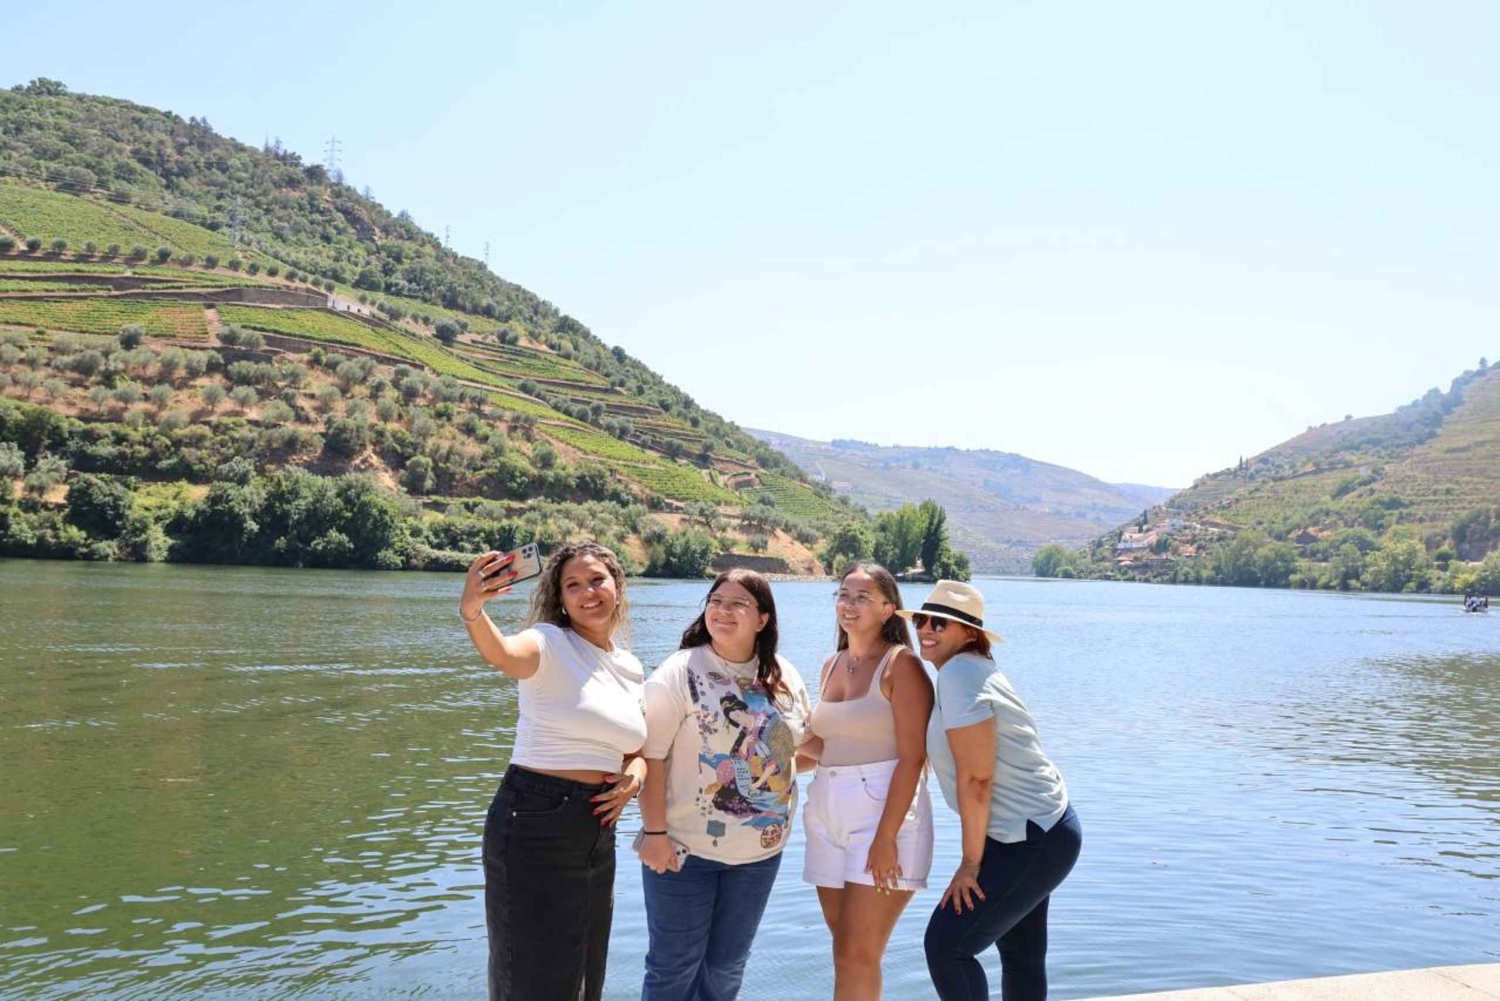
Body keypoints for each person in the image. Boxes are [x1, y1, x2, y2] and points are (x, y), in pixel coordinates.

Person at [459, 541, 648, 1001]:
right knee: (531, 980)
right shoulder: (548, 641)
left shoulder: (629, 666)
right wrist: (473, 611)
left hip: (596, 826)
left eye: (597, 580)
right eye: (573, 585)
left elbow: (635, 750)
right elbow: (503, 654)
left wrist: (635, 779)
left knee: (585, 976)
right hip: (535, 822)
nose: (588, 592)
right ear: (560, 598)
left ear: (618, 587)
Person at [637, 569, 812, 1000]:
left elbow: (799, 748)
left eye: (737, 604)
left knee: (726, 968)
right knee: (673, 968)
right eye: (715, 601)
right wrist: (655, 834)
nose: (722, 611)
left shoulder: (784, 675)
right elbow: (651, 756)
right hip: (684, 852)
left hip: (760, 855)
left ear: (763, 619)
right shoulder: (679, 672)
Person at [904, 580, 1081, 1001]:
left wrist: (970, 863)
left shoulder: (960, 674)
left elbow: (976, 779)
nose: (926, 629)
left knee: (946, 947)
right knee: (1021, 955)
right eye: (922, 619)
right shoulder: (970, 669)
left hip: (1032, 837)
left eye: (940, 623)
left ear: (969, 633)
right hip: (1039, 829)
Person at [801, 563, 935, 1000]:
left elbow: (913, 758)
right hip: (826, 812)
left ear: (887, 609)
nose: (849, 604)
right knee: (845, 948)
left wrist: (885, 837)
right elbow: (826, 746)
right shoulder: (831, 664)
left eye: (862, 597)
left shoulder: (902, 666)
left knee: (856, 954)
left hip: (882, 818)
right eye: (843, 594)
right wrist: (773, 756)